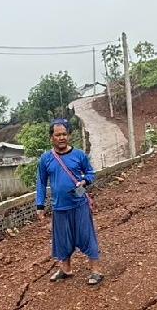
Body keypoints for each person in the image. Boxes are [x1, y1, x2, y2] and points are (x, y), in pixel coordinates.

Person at [36, 119, 105, 286]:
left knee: (87, 236)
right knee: (62, 239)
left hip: (79, 204)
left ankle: (96, 271)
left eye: (64, 134)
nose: (61, 138)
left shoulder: (79, 155)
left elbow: (91, 173)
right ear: (51, 137)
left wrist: (84, 181)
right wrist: (40, 205)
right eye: (57, 135)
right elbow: (41, 183)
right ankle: (66, 269)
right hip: (59, 207)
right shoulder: (46, 159)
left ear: (69, 136)